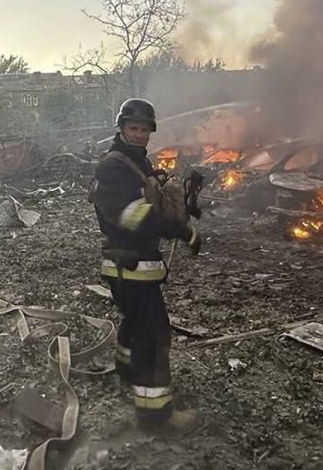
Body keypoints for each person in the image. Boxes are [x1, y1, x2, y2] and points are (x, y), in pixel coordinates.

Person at [90, 98, 202, 433]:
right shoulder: (114, 167)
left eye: (144, 129)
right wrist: (180, 229)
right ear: (121, 128)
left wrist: (180, 208)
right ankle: (155, 415)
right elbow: (134, 217)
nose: (139, 134)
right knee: (153, 335)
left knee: (136, 322)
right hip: (129, 263)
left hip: (132, 264)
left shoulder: (134, 161)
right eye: (133, 128)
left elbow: (151, 206)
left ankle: (126, 372)